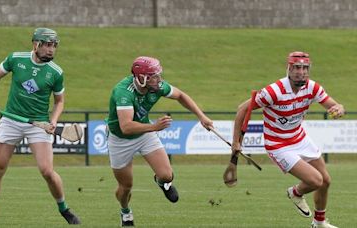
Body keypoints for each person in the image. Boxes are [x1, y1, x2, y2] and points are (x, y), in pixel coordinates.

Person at [0, 28, 80, 225]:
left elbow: (59, 102)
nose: (51, 50)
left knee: (47, 171)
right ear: (36, 44)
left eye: (54, 46)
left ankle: (64, 209)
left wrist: (54, 120)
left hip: (38, 124)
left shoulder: (56, 73)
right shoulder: (16, 59)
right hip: (11, 120)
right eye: (48, 45)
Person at [231, 51, 344, 228]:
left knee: (326, 181)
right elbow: (242, 109)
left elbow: (334, 105)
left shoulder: (312, 88)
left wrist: (339, 108)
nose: (302, 72)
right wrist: (236, 142)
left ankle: (319, 223)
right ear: (289, 69)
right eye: (297, 67)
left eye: (305, 68)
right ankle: (295, 193)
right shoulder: (273, 91)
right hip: (278, 145)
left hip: (299, 138)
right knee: (316, 180)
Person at [107, 56, 213, 226]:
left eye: (158, 75)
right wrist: (155, 127)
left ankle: (161, 182)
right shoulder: (123, 92)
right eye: (154, 76)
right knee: (126, 186)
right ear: (142, 78)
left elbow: (180, 95)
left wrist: (202, 116)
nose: (159, 80)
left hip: (144, 133)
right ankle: (125, 211)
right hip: (120, 140)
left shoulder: (158, 87)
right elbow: (126, 126)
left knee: (166, 175)